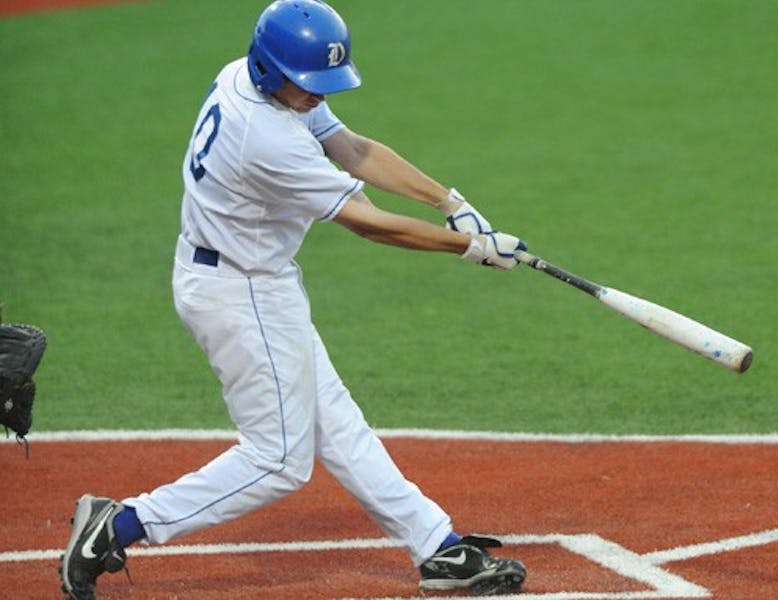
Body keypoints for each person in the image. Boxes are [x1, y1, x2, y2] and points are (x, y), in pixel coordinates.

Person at [58, 1, 527, 597]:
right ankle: (118, 525)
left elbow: (351, 145)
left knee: (337, 423)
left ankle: (436, 546)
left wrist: (450, 202)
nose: (316, 96)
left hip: (255, 280)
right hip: (237, 291)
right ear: (269, 69)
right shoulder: (267, 136)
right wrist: (466, 249)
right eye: (308, 86)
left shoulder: (259, 80)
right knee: (278, 461)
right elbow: (368, 223)